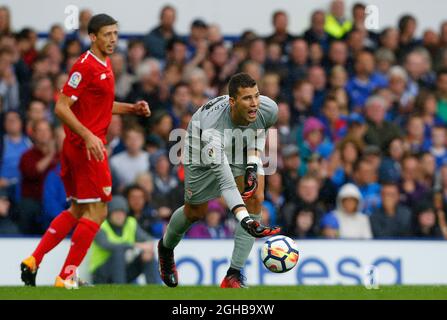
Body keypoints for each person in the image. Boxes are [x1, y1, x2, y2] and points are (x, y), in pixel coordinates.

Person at [20, 14, 151, 288]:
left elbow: (101, 105)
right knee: (98, 212)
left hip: (79, 146)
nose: (113, 39)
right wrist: (89, 135)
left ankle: (34, 260)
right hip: (87, 148)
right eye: (107, 34)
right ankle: (67, 275)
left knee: (79, 210)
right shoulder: (85, 66)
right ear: (93, 37)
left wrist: (131, 109)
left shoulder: (104, 64)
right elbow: (61, 106)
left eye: (115, 33)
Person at [157, 73, 280, 289]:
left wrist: (252, 163)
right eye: (247, 99)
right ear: (232, 102)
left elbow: (259, 130)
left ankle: (233, 275)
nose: (254, 104)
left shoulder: (268, 108)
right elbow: (226, 184)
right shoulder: (211, 131)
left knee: (255, 198)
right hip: (201, 152)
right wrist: (245, 220)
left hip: (239, 146)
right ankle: (165, 248)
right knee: (195, 212)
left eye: (256, 96)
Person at [89, 196, 157, 284]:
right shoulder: (100, 226)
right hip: (101, 274)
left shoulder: (130, 223)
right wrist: (133, 246)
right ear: (109, 214)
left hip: (123, 271)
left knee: (148, 255)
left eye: (122, 213)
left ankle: (154, 288)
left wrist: (146, 250)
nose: (119, 216)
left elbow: (148, 239)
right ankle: (120, 288)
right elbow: (106, 245)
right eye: (116, 213)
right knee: (118, 252)